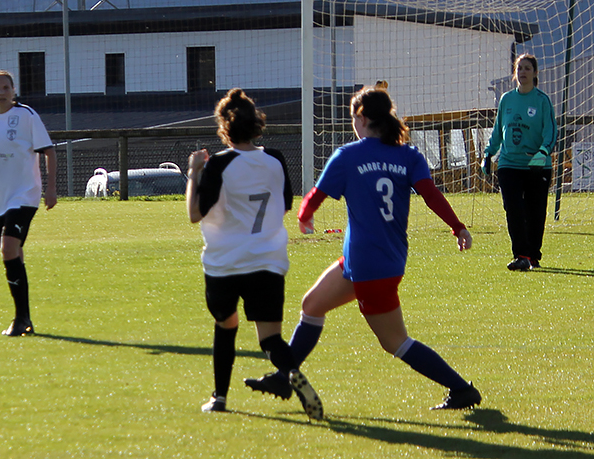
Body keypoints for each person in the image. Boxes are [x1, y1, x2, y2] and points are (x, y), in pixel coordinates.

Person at [244, 86, 482, 410]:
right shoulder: (408, 155)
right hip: (374, 260)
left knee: (395, 342)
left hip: (370, 268)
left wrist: (304, 216)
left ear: (362, 117)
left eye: (353, 118)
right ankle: (284, 376)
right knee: (312, 304)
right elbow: (431, 195)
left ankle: (461, 389)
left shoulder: (349, 155)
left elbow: (315, 195)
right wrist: (458, 227)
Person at [187, 88, 323, 419]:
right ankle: (293, 375)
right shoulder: (275, 158)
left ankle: (219, 398)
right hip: (267, 260)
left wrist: (194, 173)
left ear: (224, 126)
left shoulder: (219, 164)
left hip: (225, 262)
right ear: (256, 124)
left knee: (226, 324)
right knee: (271, 339)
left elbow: (194, 213)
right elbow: (286, 204)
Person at [0, 70, 57, 336]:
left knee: (8, 249)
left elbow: (48, 151)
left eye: (6, 87)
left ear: (14, 91)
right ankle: (25, 319)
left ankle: (20, 318)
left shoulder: (27, 116)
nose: (1, 92)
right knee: (14, 253)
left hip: (25, 194)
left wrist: (50, 188)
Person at [482, 54, 557, 271]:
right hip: (509, 164)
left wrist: (543, 151)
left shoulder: (542, 100)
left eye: (527, 68)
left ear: (535, 73)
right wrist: (488, 154)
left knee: (535, 212)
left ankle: (533, 255)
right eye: (519, 68)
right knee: (513, 209)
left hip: (537, 166)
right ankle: (521, 256)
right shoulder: (506, 99)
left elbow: (550, 132)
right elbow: (498, 132)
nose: (522, 72)